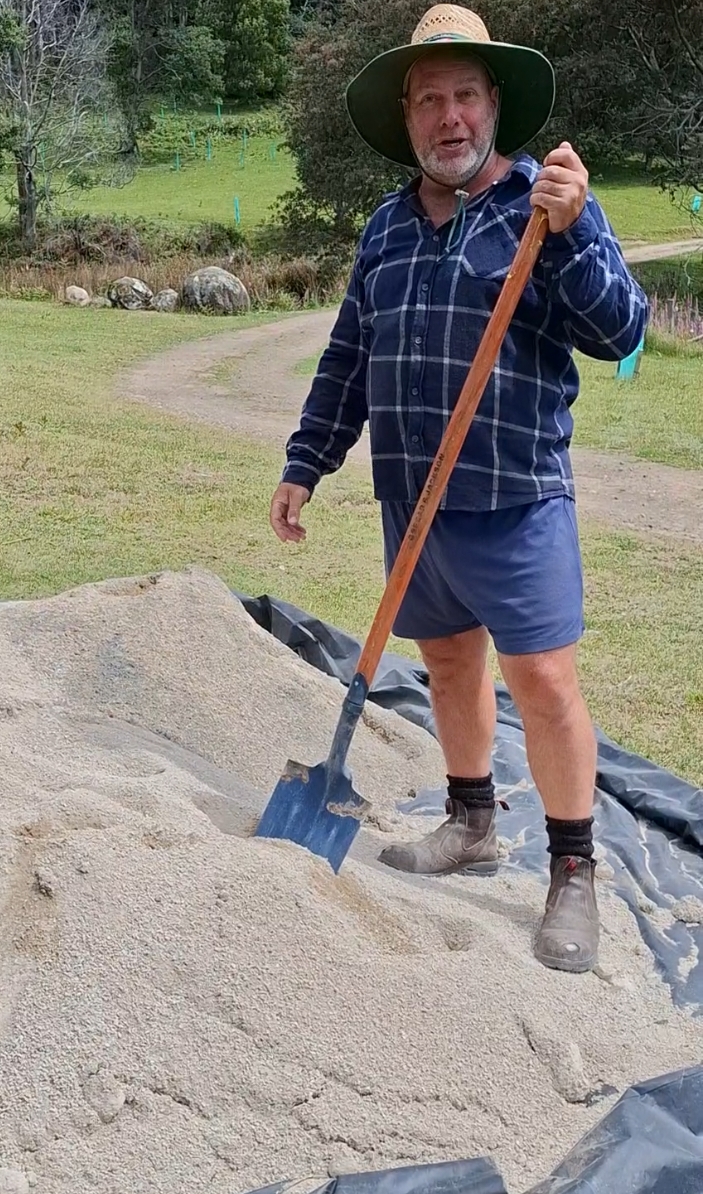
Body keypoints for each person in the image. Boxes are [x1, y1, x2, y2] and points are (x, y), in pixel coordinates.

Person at [268, 3, 648, 974]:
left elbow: (620, 333)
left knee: (548, 687)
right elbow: (348, 358)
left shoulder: (544, 205)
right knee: (446, 665)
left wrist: (567, 236)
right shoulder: (387, 230)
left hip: (514, 498)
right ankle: (470, 819)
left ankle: (571, 870)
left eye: (465, 96)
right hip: (414, 505)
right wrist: (305, 463)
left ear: (493, 107)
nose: (449, 116)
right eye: (429, 99)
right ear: (407, 119)